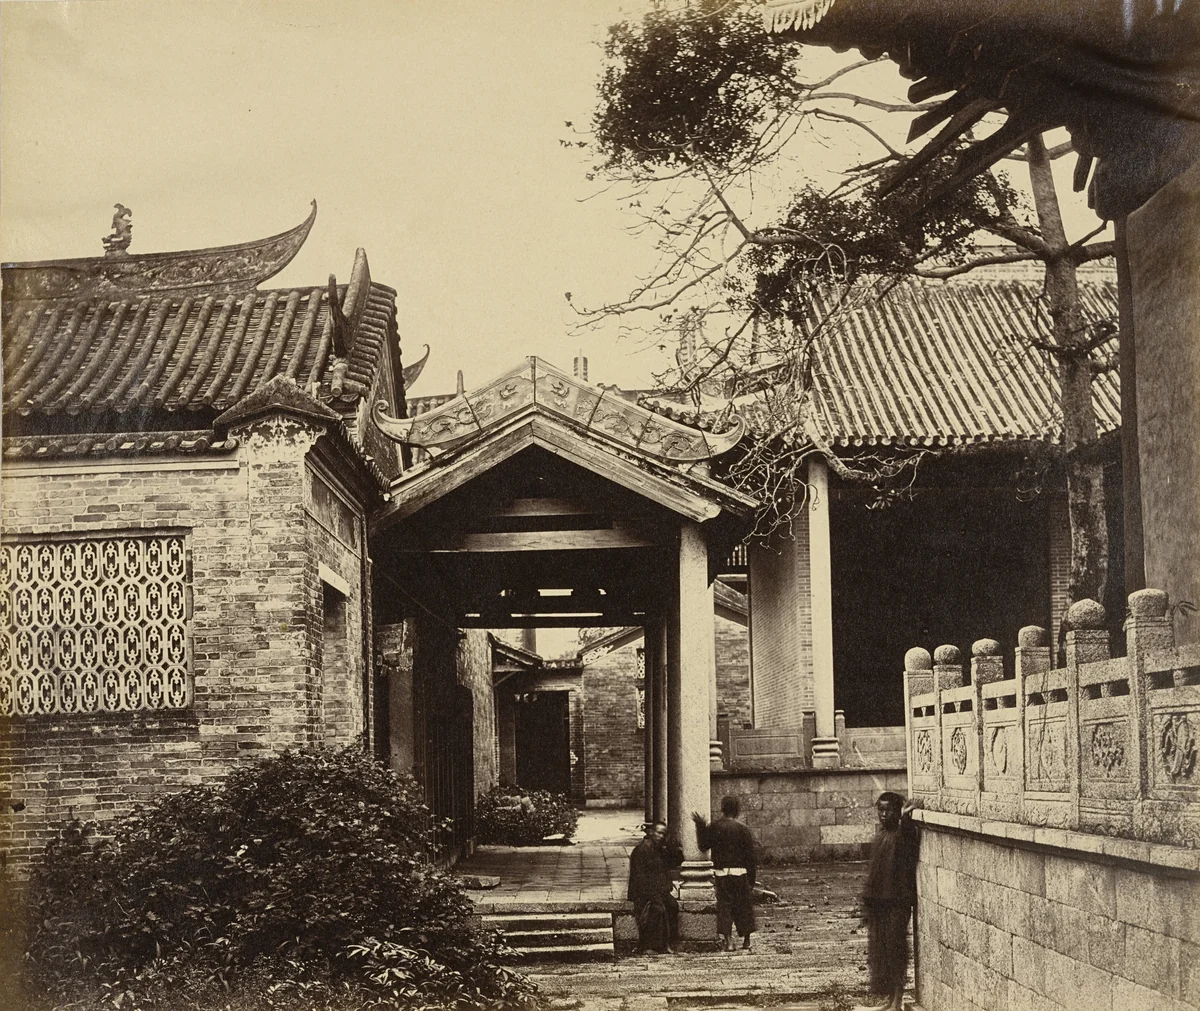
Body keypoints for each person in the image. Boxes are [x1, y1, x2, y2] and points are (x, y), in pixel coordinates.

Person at [856, 792, 922, 1011]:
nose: (884, 815)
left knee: (896, 951)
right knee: (882, 952)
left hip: (896, 903)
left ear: (897, 811)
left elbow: (907, 844)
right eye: (880, 810)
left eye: (889, 810)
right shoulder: (883, 835)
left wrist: (904, 819)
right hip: (880, 903)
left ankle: (898, 1001)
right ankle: (890, 1000)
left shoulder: (904, 833)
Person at [692, 796, 757, 951]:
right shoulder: (743, 829)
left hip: (721, 874)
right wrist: (751, 880)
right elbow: (751, 857)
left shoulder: (714, 827)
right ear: (737, 810)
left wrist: (700, 826)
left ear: (722, 808)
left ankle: (728, 941)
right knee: (743, 906)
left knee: (725, 907)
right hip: (740, 873)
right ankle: (746, 940)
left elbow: (703, 846)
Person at [627, 821, 683, 954]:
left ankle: (669, 942)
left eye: (664, 834)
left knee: (672, 905)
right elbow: (640, 878)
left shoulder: (660, 850)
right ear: (651, 832)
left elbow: (675, 861)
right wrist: (653, 894)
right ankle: (648, 946)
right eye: (659, 832)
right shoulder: (640, 850)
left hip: (658, 890)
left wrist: (671, 845)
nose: (661, 836)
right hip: (643, 891)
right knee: (658, 908)